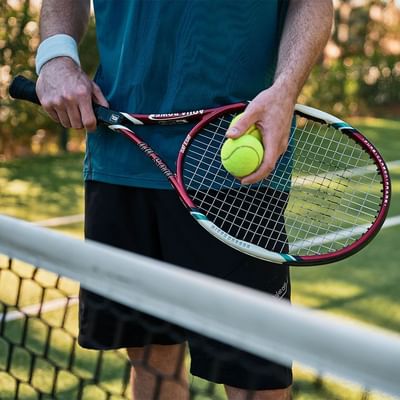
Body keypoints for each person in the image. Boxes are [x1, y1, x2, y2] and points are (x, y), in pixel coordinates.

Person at [35, 1, 333, 399]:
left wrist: (285, 90)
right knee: (151, 363)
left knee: (254, 380)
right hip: (121, 151)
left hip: (233, 161)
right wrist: (54, 56)